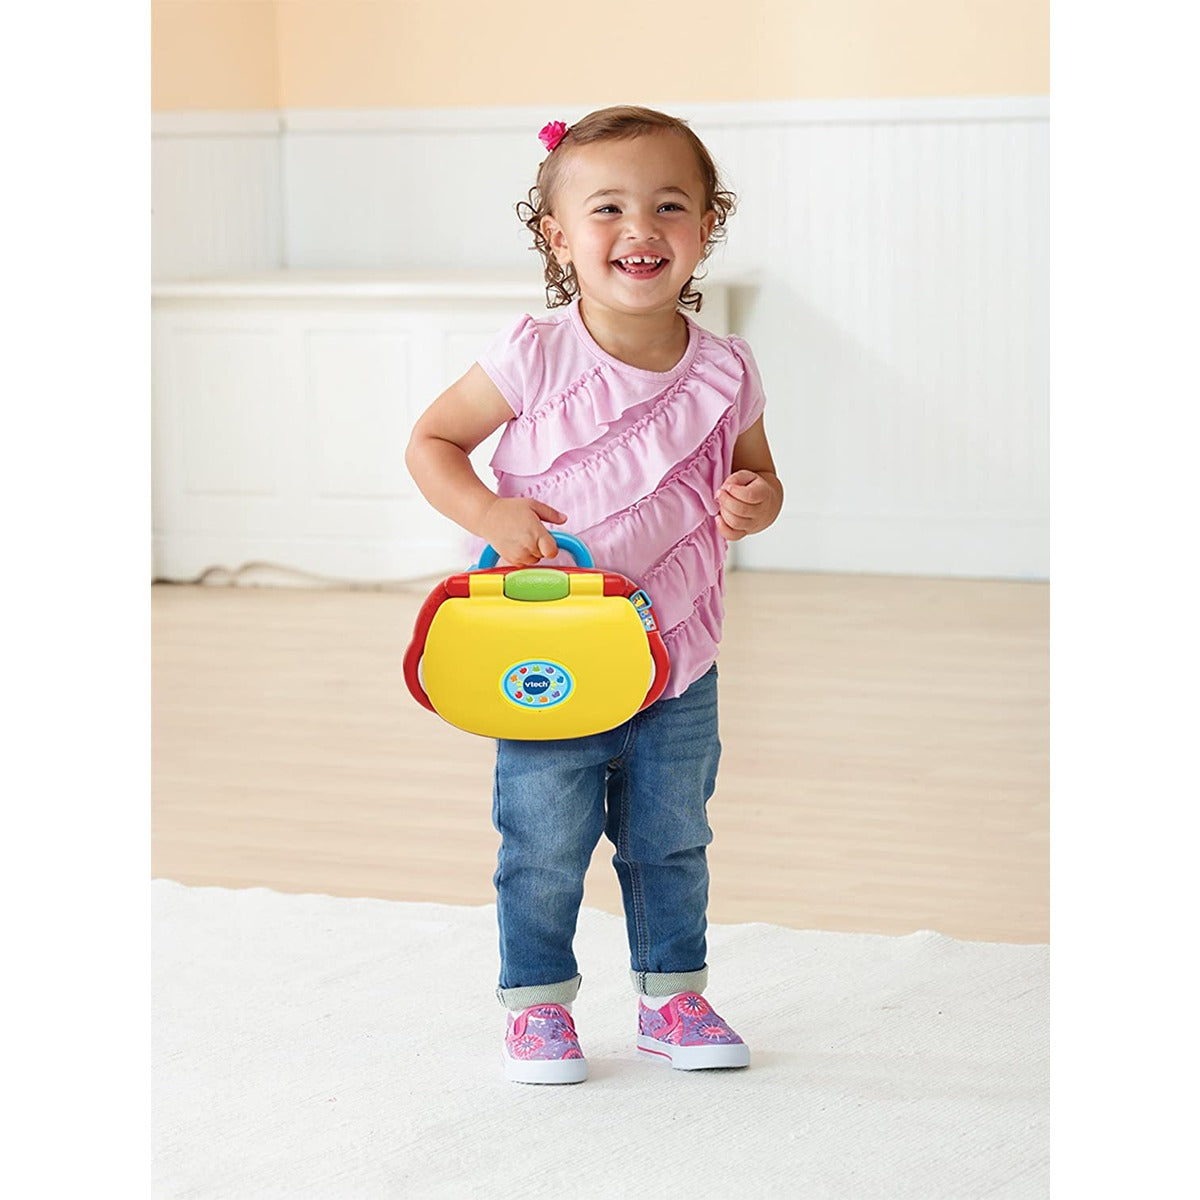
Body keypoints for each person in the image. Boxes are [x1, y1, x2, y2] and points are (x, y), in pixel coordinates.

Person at [405, 105, 783, 1084]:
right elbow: (433, 441)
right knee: (543, 839)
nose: (640, 228)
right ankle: (537, 1004)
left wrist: (755, 500)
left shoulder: (727, 369)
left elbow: (760, 474)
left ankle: (671, 997)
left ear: (707, 225)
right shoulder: (534, 354)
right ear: (558, 236)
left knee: (672, 837)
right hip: (549, 654)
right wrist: (490, 513)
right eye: (607, 207)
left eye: (670, 205)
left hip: (677, 657)